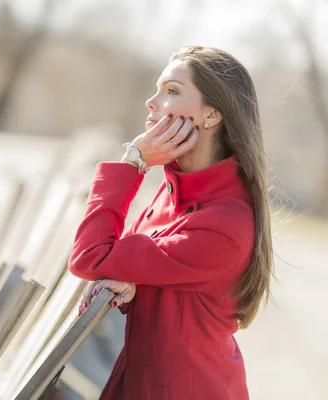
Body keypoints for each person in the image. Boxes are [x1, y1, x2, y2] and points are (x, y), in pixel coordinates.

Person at [68, 46, 273, 399]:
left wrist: (133, 162)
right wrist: (134, 286)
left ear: (211, 115)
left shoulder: (224, 224)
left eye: (172, 91)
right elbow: (124, 266)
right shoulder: (175, 192)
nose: (151, 102)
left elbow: (90, 257)